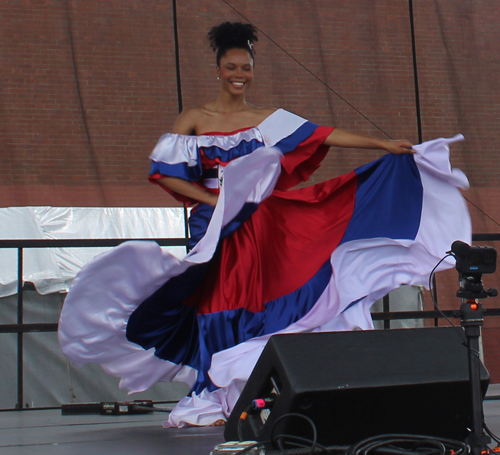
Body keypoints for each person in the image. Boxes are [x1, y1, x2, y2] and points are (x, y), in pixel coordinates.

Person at [58, 22, 471, 428]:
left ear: (252, 70)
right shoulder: (195, 118)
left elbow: (323, 135)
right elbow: (164, 173)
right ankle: (213, 386)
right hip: (213, 226)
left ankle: (249, 386)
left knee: (252, 297)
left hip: (258, 225)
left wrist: (381, 144)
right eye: (232, 67)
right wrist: (216, 201)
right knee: (214, 300)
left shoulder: (265, 119)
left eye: (246, 68)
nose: (240, 75)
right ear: (218, 70)